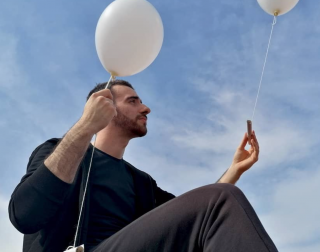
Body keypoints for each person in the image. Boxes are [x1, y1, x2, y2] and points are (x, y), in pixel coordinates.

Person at [9, 80, 278, 252]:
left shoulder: (141, 183)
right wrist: (85, 127)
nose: (146, 108)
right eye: (133, 101)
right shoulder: (59, 151)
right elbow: (25, 215)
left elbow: (199, 218)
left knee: (220, 204)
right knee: (222, 199)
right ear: (103, 106)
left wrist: (234, 170)